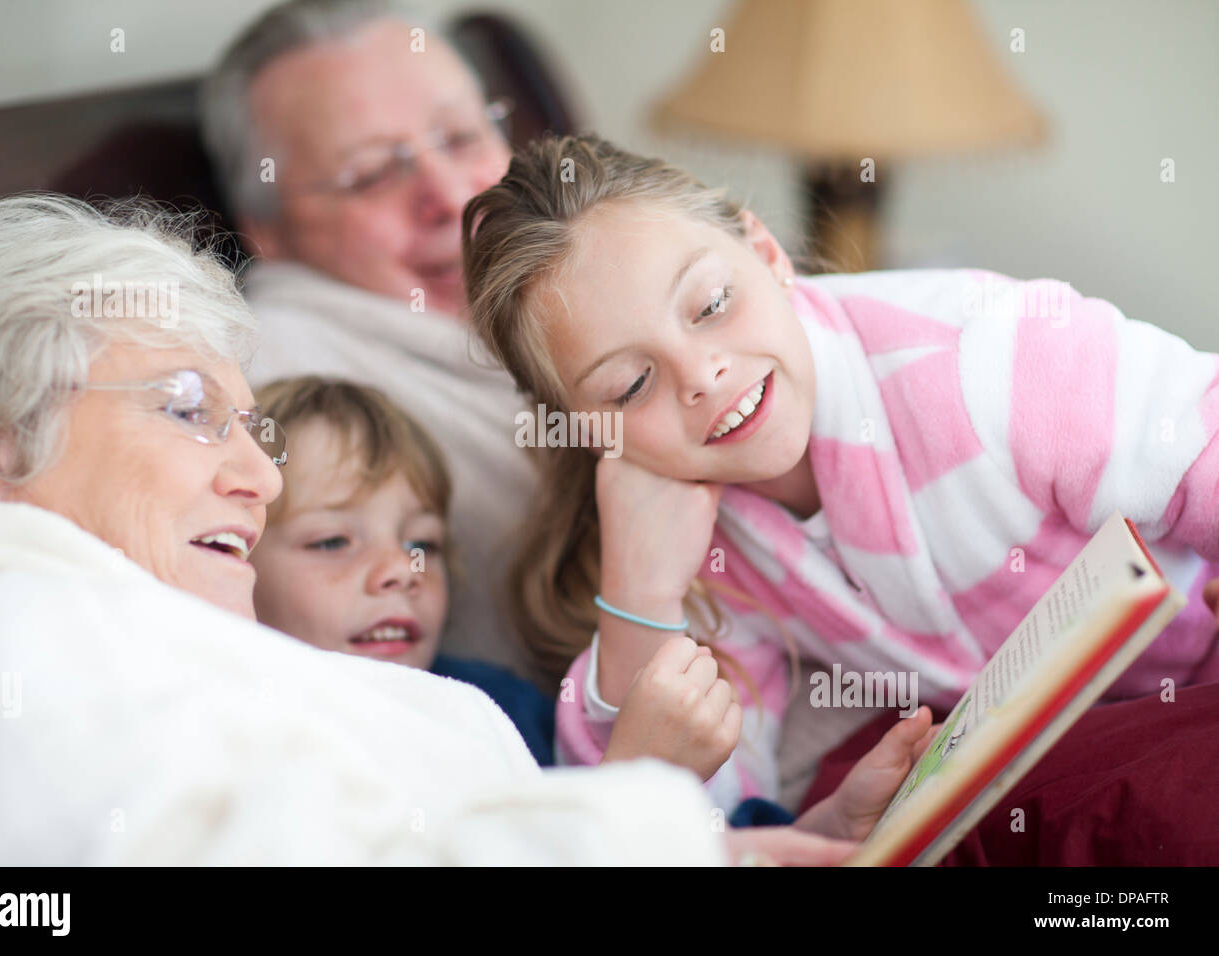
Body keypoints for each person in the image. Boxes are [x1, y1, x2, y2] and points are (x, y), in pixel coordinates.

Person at [0, 193, 905, 865]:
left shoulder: (178, 648)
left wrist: (725, 848)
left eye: (248, 426)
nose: (261, 477)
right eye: (184, 409)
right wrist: (645, 817)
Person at [459, 134, 1219, 862]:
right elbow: (680, 817)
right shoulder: (684, 533)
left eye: (713, 305)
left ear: (765, 253)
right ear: (586, 430)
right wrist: (639, 596)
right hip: (1030, 745)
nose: (700, 374)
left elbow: (1199, 436)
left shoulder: (989, 353)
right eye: (631, 385)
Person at [200, 0, 535, 677]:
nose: (450, 196)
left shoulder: (593, 268)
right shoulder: (265, 379)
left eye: (463, 137)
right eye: (372, 175)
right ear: (269, 231)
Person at [247, 375, 556, 765]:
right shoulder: (224, 721)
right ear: (234, 562)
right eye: (332, 541)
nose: (402, 568)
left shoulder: (506, 712)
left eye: (422, 544)